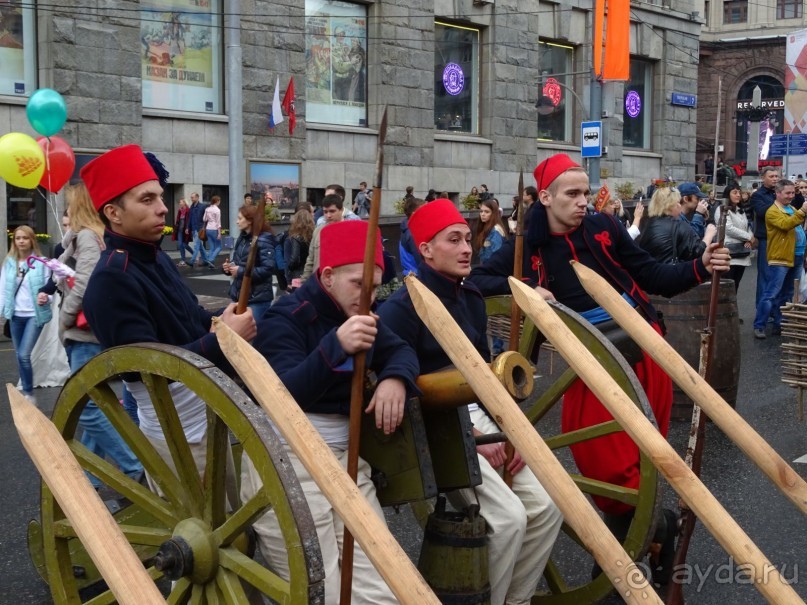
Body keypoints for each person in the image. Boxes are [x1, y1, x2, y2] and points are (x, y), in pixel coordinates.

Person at [469, 154, 730, 586]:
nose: (583, 202)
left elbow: (649, 274)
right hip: (588, 363)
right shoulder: (525, 245)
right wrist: (528, 289)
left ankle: (621, 562)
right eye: (572, 194)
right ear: (546, 197)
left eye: (586, 192)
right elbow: (477, 280)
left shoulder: (604, 228)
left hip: (645, 348)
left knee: (646, 461)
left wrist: (700, 267)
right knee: (605, 468)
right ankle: (650, 532)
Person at [379, 200, 562, 604]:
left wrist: (509, 430)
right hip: (430, 422)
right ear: (425, 250)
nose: (467, 248)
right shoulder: (399, 310)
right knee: (509, 519)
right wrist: (478, 435)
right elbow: (406, 391)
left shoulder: (472, 298)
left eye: (467, 239)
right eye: (454, 240)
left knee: (549, 508)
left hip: (478, 413)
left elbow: (483, 379)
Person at [246, 219, 419, 604]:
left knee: (383, 589)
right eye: (359, 285)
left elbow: (401, 350)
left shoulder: (361, 313)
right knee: (317, 591)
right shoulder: (284, 316)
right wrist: (334, 347)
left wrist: (396, 378)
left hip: (347, 460)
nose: (368, 299)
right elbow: (280, 397)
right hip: (287, 461)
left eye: (374, 288)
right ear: (327, 276)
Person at [81, 145, 256, 485]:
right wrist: (224, 337)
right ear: (114, 213)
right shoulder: (111, 279)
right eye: (147, 200)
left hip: (205, 413)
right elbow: (150, 367)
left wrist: (228, 315)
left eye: (160, 198)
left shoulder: (155, 257)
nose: (163, 208)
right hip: (178, 433)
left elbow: (188, 320)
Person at [58, 183, 144, 487]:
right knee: (98, 402)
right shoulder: (93, 235)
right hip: (93, 331)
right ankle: (90, 482)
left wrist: (64, 319)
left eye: (69, 206)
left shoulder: (86, 237)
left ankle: (134, 468)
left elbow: (84, 285)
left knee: (88, 409)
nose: (65, 211)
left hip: (84, 333)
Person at [0, 226, 52, 402]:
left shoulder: (41, 262)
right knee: (18, 355)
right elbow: (2, 290)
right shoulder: (9, 262)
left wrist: (46, 298)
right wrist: (2, 312)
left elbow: (49, 288)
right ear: (14, 241)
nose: (21, 241)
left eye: (25, 238)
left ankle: (29, 394)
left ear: (32, 241)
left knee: (23, 355)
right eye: (17, 238)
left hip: (34, 315)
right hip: (15, 315)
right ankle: (26, 390)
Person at [752, 179, 806, 339]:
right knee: (771, 293)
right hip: (781, 257)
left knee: (787, 293)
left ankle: (779, 324)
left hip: (796, 255)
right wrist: (802, 212)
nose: (791, 196)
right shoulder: (772, 211)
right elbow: (785, 224)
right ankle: (759, 325)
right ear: (778, 193)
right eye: (787, 193)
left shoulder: (790, 208)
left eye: (792, 193)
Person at [222, 204, 277, 320]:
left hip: (256, 298)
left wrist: (240, 271)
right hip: (239, 295)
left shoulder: (264, 240)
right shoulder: (242, 238)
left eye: (240, 218)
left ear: (249, 221)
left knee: (253, 334)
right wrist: (228, 268)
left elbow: (268, 269)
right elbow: (238, 261)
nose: (237, 222)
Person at [635, 187, 715, 264]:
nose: (680, 206)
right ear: (669, 205)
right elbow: (697, 252)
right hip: (669, 274)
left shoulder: (645, 223)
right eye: (677, 203)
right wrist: (709, 235)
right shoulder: (678, 225)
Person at [714, 182, 754, 297]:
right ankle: (723, 312)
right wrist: (748, 237)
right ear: (728, 195)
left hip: (742, 253)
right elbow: (728, 228)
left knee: (736, 285)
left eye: (739, 193)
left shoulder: (741, 211)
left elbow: (748, 227)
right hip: (729, 253)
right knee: (725, 286)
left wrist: (749, 238)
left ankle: (732, 312)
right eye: (734, 192)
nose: (738, 195)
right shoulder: (722, 209)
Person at [303, 193, 352, 280]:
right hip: (319, 283)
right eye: (325, 212)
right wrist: (304, 281)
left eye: (332, 211)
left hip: (341, 283)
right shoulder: (318, 231)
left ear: (341, 210)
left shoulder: (350, 230)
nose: (328, 215)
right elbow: (310, 259)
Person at [750, 166, 780, 308]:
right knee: (765, 276)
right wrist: (779, 201)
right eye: (771, 176)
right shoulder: (758, 195)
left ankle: (775, 310)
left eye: (776, 176)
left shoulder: (779, 193)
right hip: (766, 239)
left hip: (781, 238)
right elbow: (763, 212)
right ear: (763, 178)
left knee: (779, 276)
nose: (775, 179)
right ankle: (763, 311)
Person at [283, 206, 314, 291]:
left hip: (298, 275)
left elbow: (294, 258)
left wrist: (290, 271)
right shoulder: (314, 236)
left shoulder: (295, 238)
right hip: (312, 274)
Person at [474, 198, 507, 264]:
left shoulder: (495, 230)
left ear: (493, 214)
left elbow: (497, 255)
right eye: (481, 211)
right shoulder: (486, 226)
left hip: (492, 268)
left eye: (487, 212)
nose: (482, 214)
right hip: (486, 265)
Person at [399, 197, 425, 276]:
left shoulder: (408, 229)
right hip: (417, 277)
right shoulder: (412, 234)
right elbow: (421, 261)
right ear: (414, 214)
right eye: (424, 210)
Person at [187, 191, 208, 267]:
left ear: (197, 197)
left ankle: (192, 261)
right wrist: (187, 228)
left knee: (196, 246)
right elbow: (190, 218)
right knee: (200, 247)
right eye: (191, 197)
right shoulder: (191, 207)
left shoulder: (202, 206)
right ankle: (206, 260)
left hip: (200, 229)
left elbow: (206, 218)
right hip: (193, 229)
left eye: (192, 197)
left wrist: (204, 227)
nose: (191, 199)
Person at [202, 195, 222, 269]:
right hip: (214, 229)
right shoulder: (217, 210)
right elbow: (218, 222)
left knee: (212, 247)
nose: (220, 202)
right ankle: (211, 259)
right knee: (219, 247)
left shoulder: (207, 209)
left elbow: (204, 219)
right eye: (219, 201)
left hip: (208, 229)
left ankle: (210, 263)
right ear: (217, 201)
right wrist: (219, 233)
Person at [173, 198, 193, 267]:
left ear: (184, 203)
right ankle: (183, 260)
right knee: (180, 245)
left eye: (180, 202)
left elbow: (189, 221)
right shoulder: (180, 210)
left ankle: (194, 255)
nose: (179, 203)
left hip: (186, 231)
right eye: (179, 202)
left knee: (184, 245)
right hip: (179, 231)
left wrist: (188, 228)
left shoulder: (188, 210)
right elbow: (178, 220)